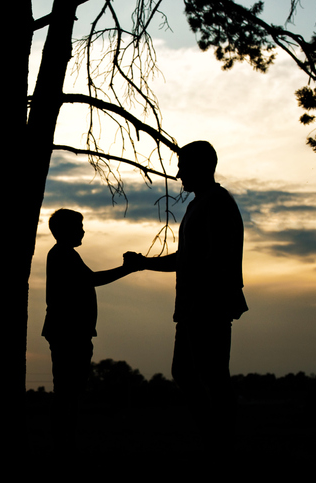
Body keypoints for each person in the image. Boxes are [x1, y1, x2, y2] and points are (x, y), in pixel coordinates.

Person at [126, 140, 247, 448]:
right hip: (194, 306)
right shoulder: (200, 203)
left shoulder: (217, 203)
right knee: (188, 373)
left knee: (212, 377)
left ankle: (222, 442)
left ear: (202, 167)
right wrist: (146, 264)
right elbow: (186, 258)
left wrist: (202, 298)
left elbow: (212, 258)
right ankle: (217, 438)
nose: (178, 173)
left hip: (207, 305)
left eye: (183, 166)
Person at [42, 208, 138, 455]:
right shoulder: (64, 255)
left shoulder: (64, 254)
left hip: (70, 331)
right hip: (69, 333)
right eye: (79, 227)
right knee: (67, 391)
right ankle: (64, 445)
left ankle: (64, 443)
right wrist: (128, 269)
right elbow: (92, 280)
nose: (83, 231)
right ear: (66, 231)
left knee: (68, 390)